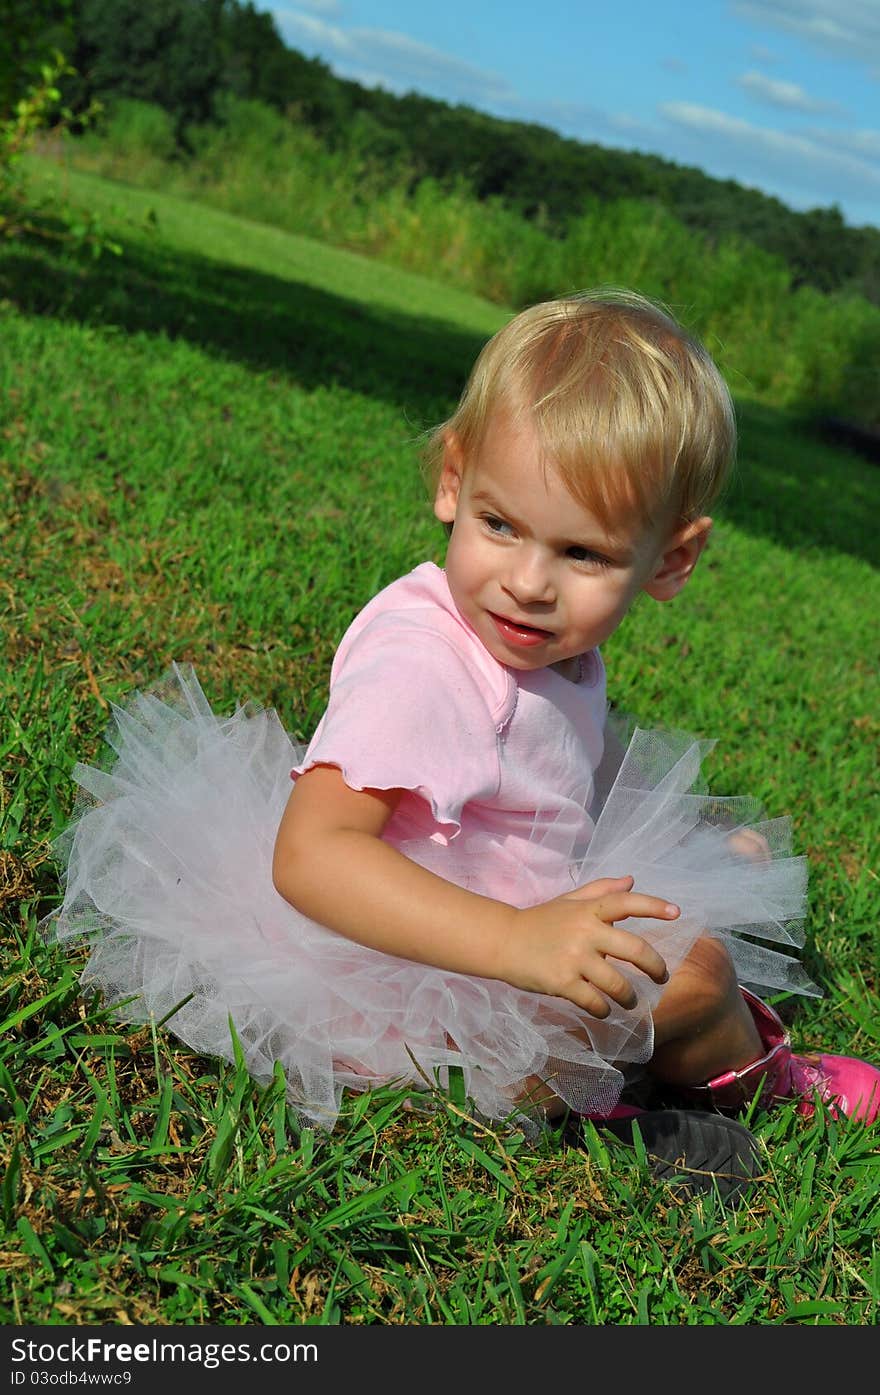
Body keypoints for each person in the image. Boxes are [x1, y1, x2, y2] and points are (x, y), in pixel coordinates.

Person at [47, 290, 879, 1202]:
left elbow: (544, 785)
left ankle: (617, 1083)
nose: (528, 582)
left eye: (584, 555)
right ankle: (728, 1094)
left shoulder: (543, 649)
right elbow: (309, 854)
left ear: (670, 562)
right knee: (697, 970)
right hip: (421, 979)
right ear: (454, 480)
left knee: (703, 867)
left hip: (497, 925)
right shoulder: (424, 667)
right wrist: (517, 940)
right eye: (501, 526)